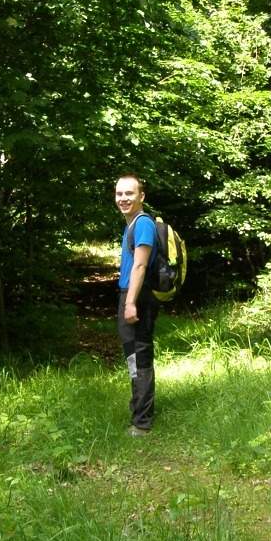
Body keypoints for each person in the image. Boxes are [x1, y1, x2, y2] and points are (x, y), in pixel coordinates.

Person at [115, 173, 158, 436]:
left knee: (139, 356)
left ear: (141, 196)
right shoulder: (131, 224)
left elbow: (140, 265)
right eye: (119, 193)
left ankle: (142, 423)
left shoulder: (143, 224)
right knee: (132, 353)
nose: (123, 198)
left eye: (129, 193)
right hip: (131, 295)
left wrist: (130, 303)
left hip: (138, 298)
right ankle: (138, 409)